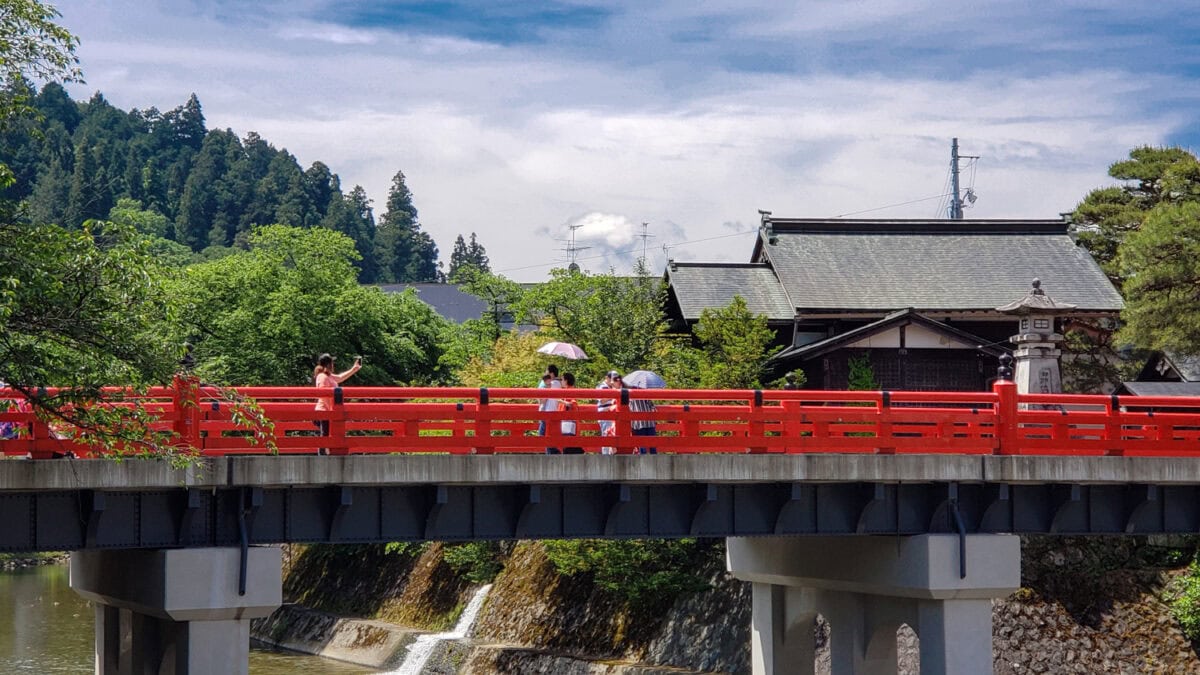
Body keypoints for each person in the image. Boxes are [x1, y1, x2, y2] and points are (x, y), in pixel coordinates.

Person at [313, 353, 361, 452]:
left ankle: (324, 455)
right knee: (324, 436)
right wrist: (331, 411)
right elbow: (323, 393)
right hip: (324, 410)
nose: (333, 365)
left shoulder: (328, 376)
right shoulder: (322, 376)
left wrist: (354, 369)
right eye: (332, 363)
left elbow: (340, 377)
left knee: (326, 435)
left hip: (328, 410)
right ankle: (321, 457)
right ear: (329, 364)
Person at [624, 376, 657, 455]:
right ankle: (653, 457)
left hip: (639, 422)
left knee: (643, 444)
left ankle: (645, 456)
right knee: (651, 443)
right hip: (647, 421)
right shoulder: (643, 392)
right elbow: (651, 406)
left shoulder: (630, 394)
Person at [558, 372, 583, 454]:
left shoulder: (570, 391)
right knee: (567, 442)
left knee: (568, 442)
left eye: (562, 379)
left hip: (568, 421)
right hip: (567, 420)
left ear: (566, 381)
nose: (561, 381)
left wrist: (560, 400)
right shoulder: (568, 390)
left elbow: (572, 403)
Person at [596, 371, 620, 455]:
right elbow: (602, 400)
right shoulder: (602, 386)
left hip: (612, 414)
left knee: (612, 436)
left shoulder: (612, 387)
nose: (613, 381)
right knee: (606, 436)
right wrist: (615, 394)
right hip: (605, 414)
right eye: (612, 379)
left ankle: (611, 454)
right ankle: (606, 456)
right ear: (607, 378)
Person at [537, 371, 561, 453]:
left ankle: (552, 451)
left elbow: (541, 402)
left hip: (548, 413)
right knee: (546, 435)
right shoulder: (556, 384)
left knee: (545, 435)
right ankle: (551, 451)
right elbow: (542, 401)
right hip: (550, 413)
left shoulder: (550, 386)